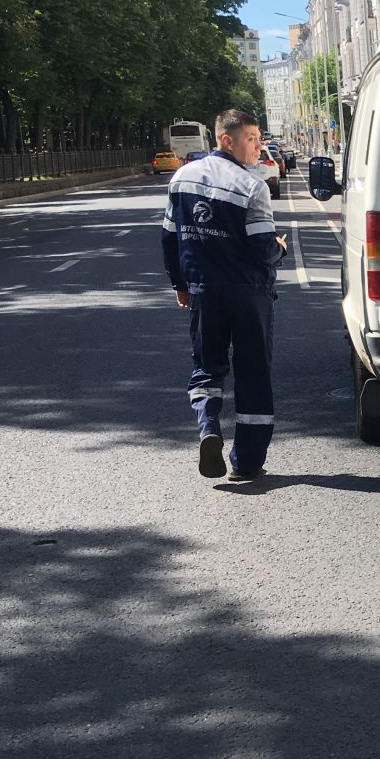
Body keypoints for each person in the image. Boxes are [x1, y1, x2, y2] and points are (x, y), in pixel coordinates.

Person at [160, 107, 287, 482]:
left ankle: (208, 427)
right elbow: (263, 247)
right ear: (226, 140)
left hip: (204, 292)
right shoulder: (252, 186)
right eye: (251, 138)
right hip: (250, 294)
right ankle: (246, 462)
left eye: (259, 137)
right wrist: (281, 247)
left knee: (206, 368)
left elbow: (169, 238)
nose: (258, 145)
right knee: (253, 375)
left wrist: (179, 284)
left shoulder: (182, 178)